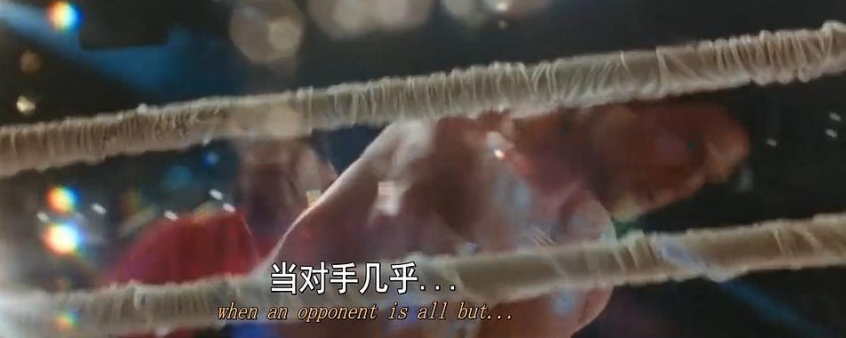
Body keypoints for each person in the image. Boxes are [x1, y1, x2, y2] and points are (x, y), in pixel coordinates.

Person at [266, 101, 751, 338]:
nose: (683, 184)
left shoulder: (593, 257)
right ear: (638, 99)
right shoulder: (458, 136)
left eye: (705, 179)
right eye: (690, 147)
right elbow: (296, 290)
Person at [103, 138, 337, 338]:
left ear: (328, 174)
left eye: (293, 148)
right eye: (262, 146)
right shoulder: (180, 242)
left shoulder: (342, 258)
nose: (274, 160)